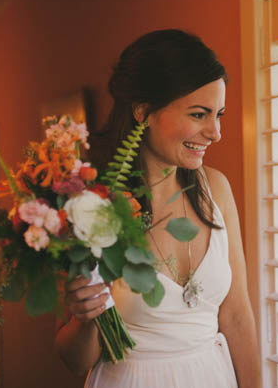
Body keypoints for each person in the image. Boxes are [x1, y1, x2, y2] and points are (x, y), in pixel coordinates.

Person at [54, 30, 261, 387]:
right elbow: (76, 361)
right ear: (144, 112)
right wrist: (83, 318)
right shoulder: (94, 206)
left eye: (219, 115)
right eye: (199, 114)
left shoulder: (217, 190)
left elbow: (237, 316)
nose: (215, 132)